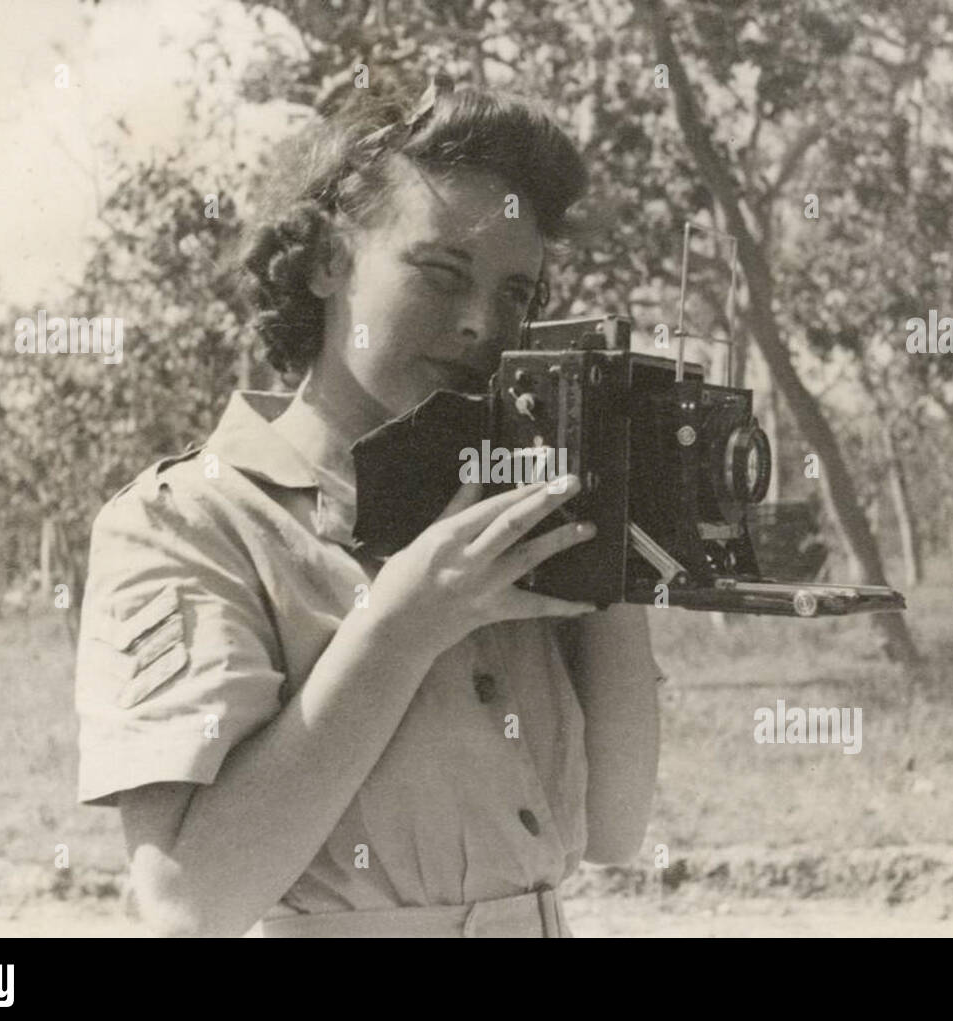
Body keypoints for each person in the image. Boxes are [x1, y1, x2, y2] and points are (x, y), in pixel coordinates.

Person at [73, 76, 664, 938]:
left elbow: (615, 828)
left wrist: (613, 549)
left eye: (516, 294)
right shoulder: (190, 522)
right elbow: (187, 905)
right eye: (441, 271)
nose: (479, 324)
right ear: (324, 262)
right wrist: (407, 621)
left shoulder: (504, 512)